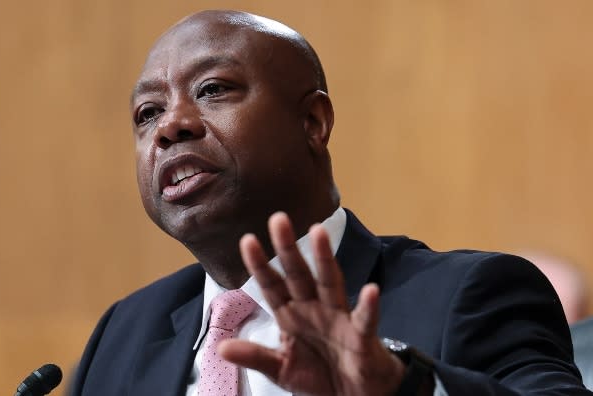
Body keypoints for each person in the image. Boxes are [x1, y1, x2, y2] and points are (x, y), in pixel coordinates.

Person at [71, 10, 590, 396]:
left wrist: (399, 388)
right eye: (147, 112)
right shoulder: (124, 333)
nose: (169, 126)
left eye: (211, 89)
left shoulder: (468, 295)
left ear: (313, 123)